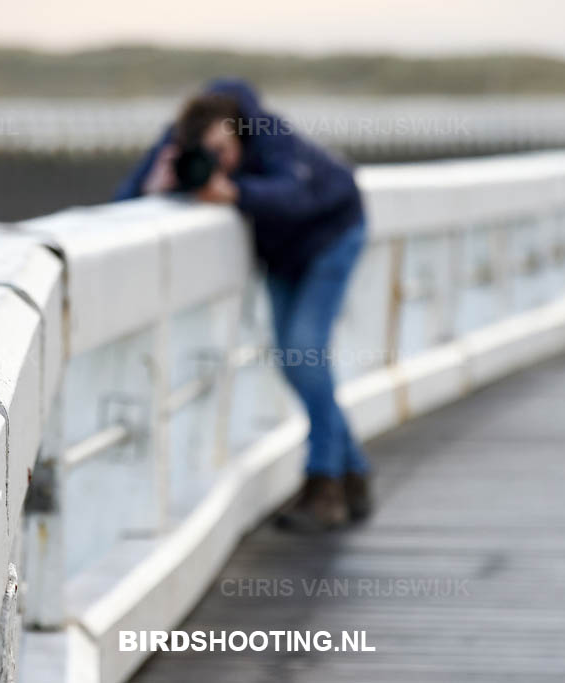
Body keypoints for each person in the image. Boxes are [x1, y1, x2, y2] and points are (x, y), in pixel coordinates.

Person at [114, 78, 372, 531]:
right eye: (205, 153)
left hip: (331, 235)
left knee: (304, 352)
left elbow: (293, 193)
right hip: (280, 252)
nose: (217, 162)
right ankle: (353, 475)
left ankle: (325, 483)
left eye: (222, 150)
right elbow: (122, 205)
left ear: (239, 130)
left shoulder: (269, 133)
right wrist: (156, 185)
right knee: (295, 360)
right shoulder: (179, 141)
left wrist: (236, 192)